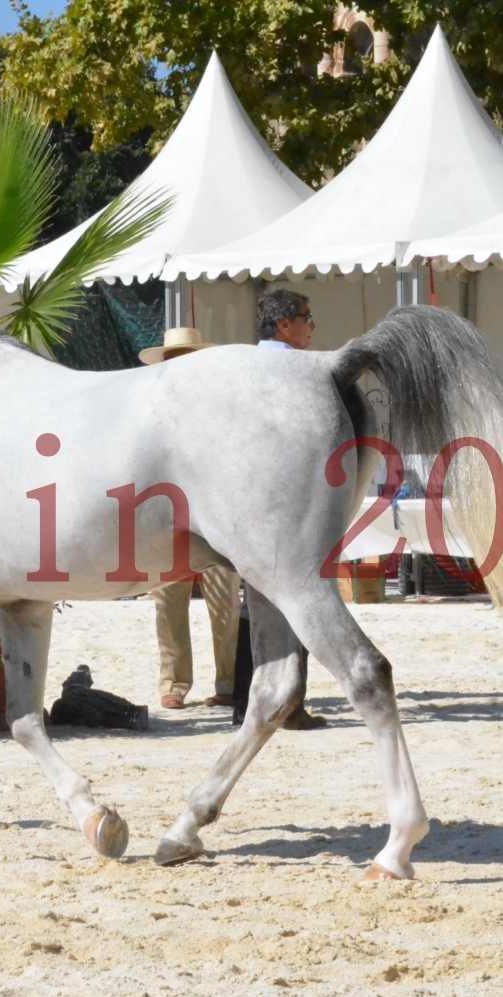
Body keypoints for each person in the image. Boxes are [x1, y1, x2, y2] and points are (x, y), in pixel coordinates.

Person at [233, 289, 326, 730]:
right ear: (284, 324)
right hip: (278, 498)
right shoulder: (292, 370)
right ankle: (284, 704)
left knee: (258, 604)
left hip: (248, 496)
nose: (311, 326)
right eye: (307, 318)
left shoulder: (247, 367)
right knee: (292, 600)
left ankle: (255, 702)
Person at [137, 328, 241, 710]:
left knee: (224, 601)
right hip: (167, 516)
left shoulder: (220, 408)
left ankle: (228, 682)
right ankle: (174, 680)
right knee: (167, 602)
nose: (178, 364)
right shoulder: (150, 409)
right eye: (173, 357)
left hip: (214, 516)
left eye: (184, 356)